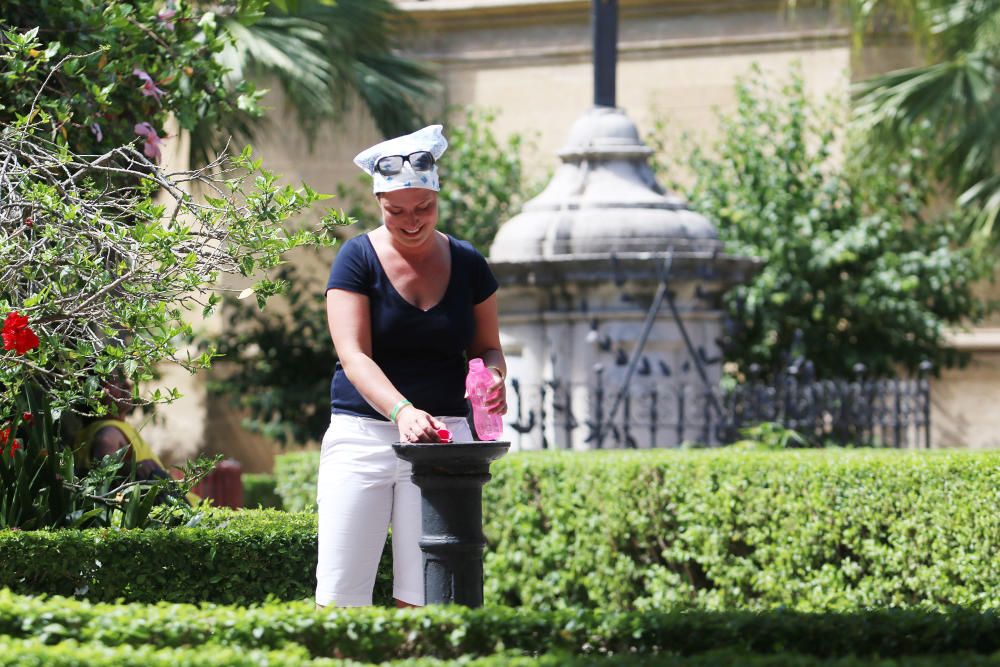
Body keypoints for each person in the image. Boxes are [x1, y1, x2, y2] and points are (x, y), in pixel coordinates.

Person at [316, 124, 507, 609]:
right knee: (341, 595)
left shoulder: (467, 262)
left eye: (424, 207)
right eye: (396, 210)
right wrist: (401, 411)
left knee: (430, 596)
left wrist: (496, 378)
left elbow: (487, 348)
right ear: (378, 201)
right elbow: (353, 355)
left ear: (438, 197)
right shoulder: (355, 258)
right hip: (364, 435)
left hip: (445, 441)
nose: (412, 220)